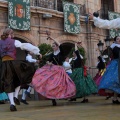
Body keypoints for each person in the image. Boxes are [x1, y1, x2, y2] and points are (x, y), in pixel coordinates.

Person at [0, 28, 40, 111]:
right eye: (13, 34)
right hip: (13, 64)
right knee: (19, 79)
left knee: (8, 83)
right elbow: (26, 46)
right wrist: (37, 52)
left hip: (4, 65)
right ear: (10, 34)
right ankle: (15, 97)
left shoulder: (0, 42)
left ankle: (12, 103)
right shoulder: (14, 42)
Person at [32, 36, 76, 106]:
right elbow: (48, 61)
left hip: (60, 70)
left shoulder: (61, 52)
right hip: (53, 70)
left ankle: (60, 96)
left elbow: (59, 44)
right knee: (51, 84)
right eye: (52, 46)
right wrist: (49, 63)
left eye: (54, 46)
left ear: (57, 47)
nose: (53, 47)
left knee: (61, 84)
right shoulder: (52, 54)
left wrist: (52, 38)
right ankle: (53, 99)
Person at [98, 36, 120, 104]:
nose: (119, 40)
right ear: (115, 40)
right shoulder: (114, 47)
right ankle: (114, 98)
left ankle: (115, 98)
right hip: (116, 64)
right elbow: (115, 55)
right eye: (117, 39)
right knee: (116, 81)